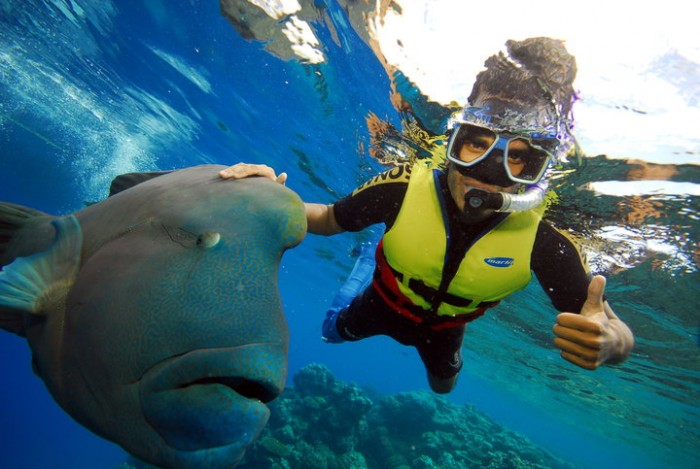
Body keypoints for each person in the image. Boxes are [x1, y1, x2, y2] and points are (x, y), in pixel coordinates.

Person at [220, 37, 634, 394]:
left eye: (520, 160)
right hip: (379, 300)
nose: (489, 174)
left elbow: (601, 318)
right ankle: (368, 262)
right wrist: (271, 195)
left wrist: (616, 344)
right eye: (476, 145)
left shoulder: (545, 239)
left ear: (540, 170)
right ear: (455, 138)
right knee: (332, 333)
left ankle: (378, 257)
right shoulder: (403, 187)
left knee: (443, 388)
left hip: (445, 330)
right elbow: (328, 219)